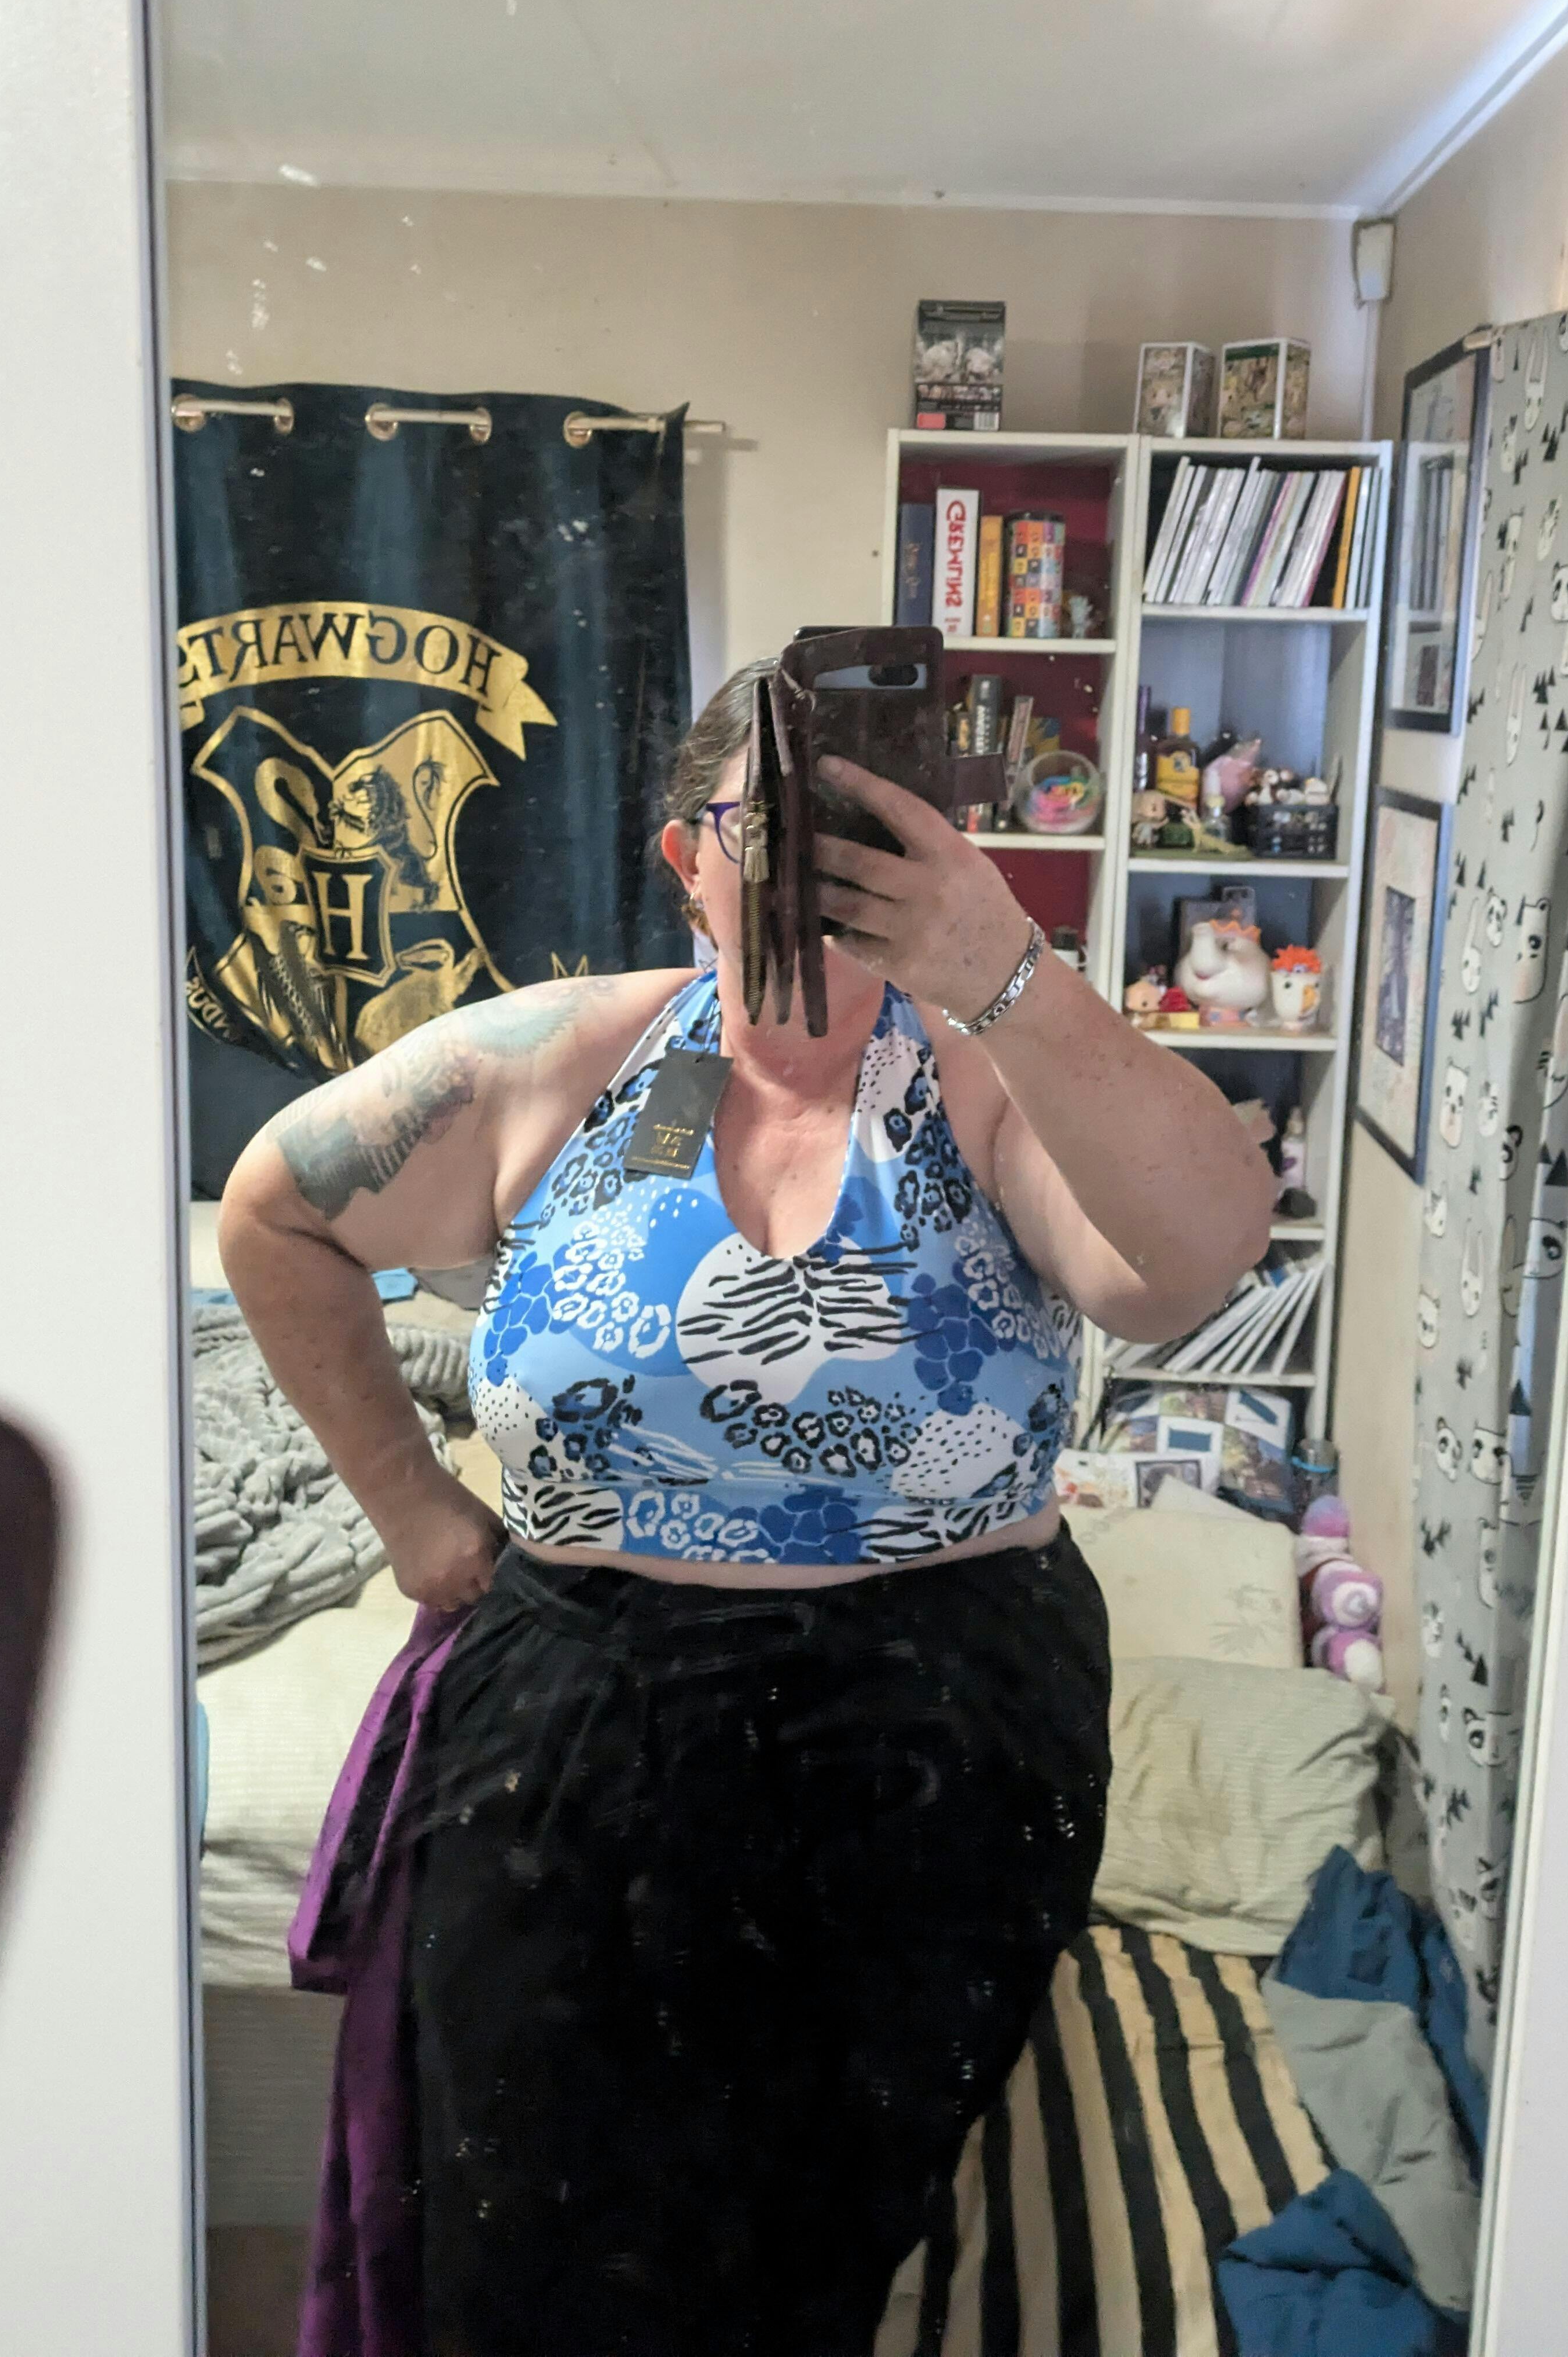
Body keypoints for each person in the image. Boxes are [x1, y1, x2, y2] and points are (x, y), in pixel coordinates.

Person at [219, 653, 1274, 2357]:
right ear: (682, 860)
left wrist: (1005, 968)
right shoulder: (557, 1060)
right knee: (519, 2222)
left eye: (875, 825)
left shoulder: (997, 1077)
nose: (822, 865)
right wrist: (410, 1507)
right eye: (771, 825)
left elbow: (1195, 1262)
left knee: (809, 2244)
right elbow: (273, 1211)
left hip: (941, 1733)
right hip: (573, 1726)